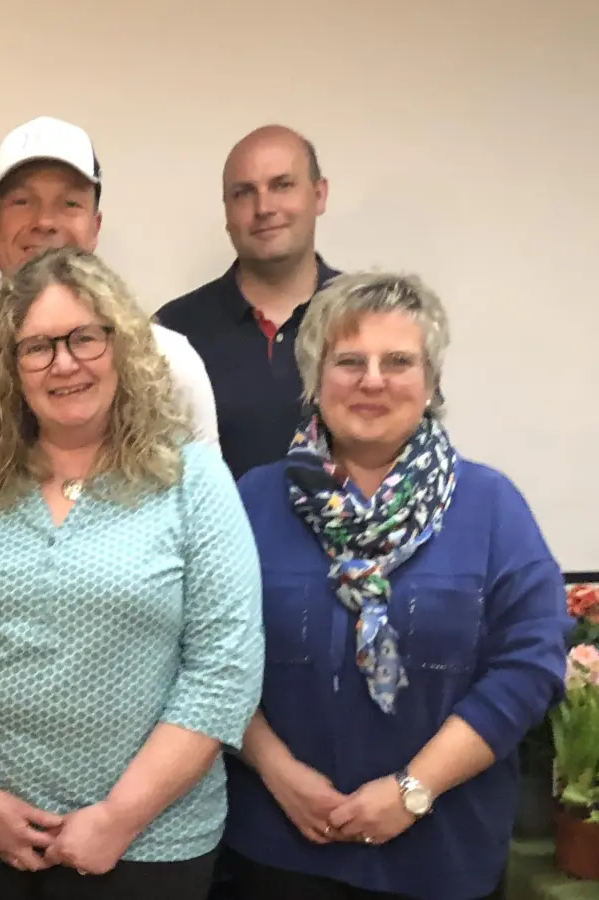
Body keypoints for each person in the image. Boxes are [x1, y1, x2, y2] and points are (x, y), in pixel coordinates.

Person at [0, 246, 264, 900]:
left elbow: (224, 671)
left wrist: (119, 818)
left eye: (84, 338)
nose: (63, 363)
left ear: (122, 347)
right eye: (37, 347)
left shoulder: (191, 481)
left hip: (147, 846)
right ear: (13, 370)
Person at [224, 272, 570, 900]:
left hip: (442, 855)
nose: (373, 380)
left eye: (398, 361)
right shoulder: (251, 501)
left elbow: (530, 663)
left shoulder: (491, 505)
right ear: (315, 379)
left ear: (432, 382)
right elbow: (212, 655)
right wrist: (278, 773)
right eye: (349, 361)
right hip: (277, 846)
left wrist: (414, 789)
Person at [0, 115, 218, 465]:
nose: (45, 222)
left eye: (69, 204)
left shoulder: (170, 361)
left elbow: (203, 501)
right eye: (22, 201)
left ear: (95, 227)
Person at [156, 125, 342, 479]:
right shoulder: (173, 333)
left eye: (281, 185)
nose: (264, 207)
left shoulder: (372, 318)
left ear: (319, 195)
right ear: (226, 211)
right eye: (244, 193)